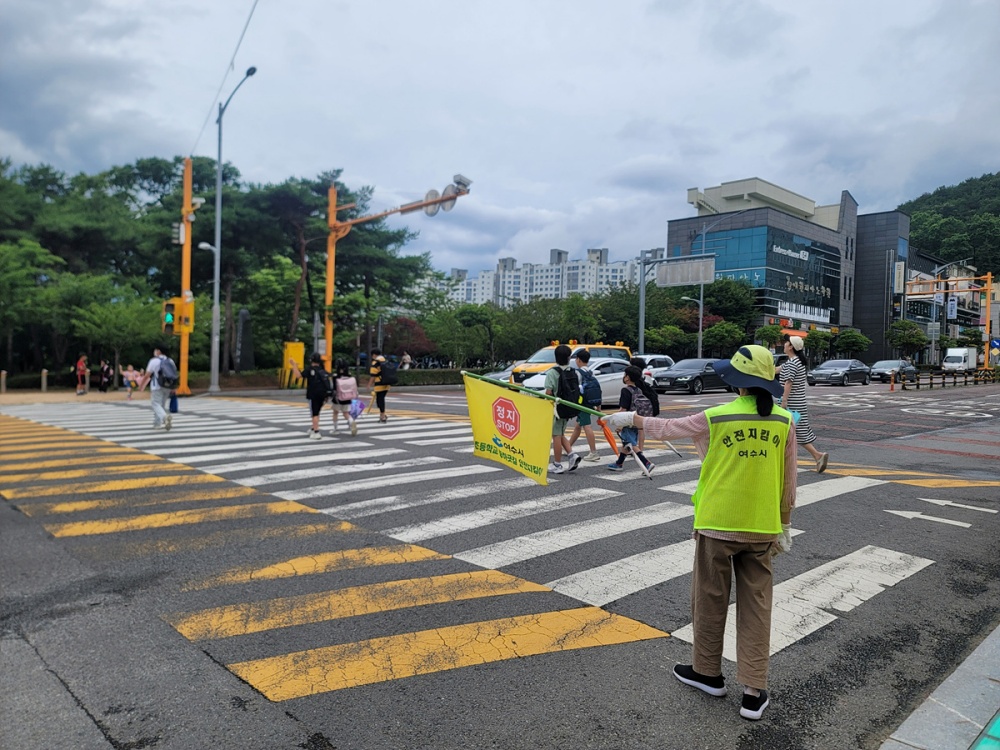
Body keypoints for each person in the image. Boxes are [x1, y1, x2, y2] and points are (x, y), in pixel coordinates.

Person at [603, 344, 797, 721]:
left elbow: (666, 428)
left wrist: (627, 418)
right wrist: (785, 524)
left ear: (737, 382)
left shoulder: (717, 416)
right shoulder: (784, 421)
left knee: (709, 598)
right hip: (762, 527)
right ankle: (754, 691)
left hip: (716, 523)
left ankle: (707, 673)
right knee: (757, 607)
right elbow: (789, 483)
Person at [778, 334, 828, 473]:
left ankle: (817, 455)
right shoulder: (794, 361)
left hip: (792, 403)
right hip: (798, 402)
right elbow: (777, 370)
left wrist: (784, 401)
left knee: (793, 431)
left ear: (791, 347)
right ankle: (816, 456)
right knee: (793, 431)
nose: (784, 345)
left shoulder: (793, 363)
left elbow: (788, 382)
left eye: (786, 343)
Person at [607, 366, 656, 474]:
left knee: (630, 444)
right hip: (636, 421)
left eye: (624, 375)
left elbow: (623, 409)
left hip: (627, 422)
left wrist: (619, 424)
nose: (623, 377)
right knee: (627, 443)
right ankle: (619, 463)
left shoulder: (625, 390)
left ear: (627, 378)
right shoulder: (638, 389)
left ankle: (646, 463)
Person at [543, 344, 581, 475]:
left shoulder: (553, 373)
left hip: (556, 409)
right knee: (560, 433)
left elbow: (548, 392)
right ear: (569, 357)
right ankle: (572, 455)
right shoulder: (573, 372)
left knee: (556, 436)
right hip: (568, 407)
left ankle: (557, 464)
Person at [566, 350, 601, 462]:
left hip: (582, 403)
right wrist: (599, 407)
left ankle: (593, 452)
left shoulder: (578, 373)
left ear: (578, 360)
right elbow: (597, 389)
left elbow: (575, 389)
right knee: (578, 426)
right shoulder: (591, 372)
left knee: (587, 426)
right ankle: (568, 448)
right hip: (590, 401)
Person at [289, 353, 329, 439]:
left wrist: (294, 365)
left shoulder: (309, 369)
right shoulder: (322, 369)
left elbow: (298, 376)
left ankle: (316, 432)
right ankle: (313, 428)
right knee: (317, 412)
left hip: (313, 394)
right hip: (323, 394)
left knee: (314, 413)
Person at [137, 345, 172, 431]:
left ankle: (165, 417)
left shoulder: (154, 361)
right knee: (161, 405)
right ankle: (157, 424)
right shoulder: (170, 360)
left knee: (155, 404)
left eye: (155, 350)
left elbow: (147, 375)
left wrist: (141, 385)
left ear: (159, 351)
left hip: (157, 386)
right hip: (168, 386)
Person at [331, 359, 359, 436]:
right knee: (346, 413)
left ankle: (335, 429)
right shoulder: (350, 375)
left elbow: (334, 388)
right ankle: (351, 422)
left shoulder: (335, 376)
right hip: (348, 397)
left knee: (335, 412)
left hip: (338, 398)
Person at [366, 348, 391, 423]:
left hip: (379, 383)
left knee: (380, 400)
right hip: (387, 383)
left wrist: (369, 384)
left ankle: (383, 416)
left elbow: (373, 375)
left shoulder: (375, 362)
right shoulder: (385, 360)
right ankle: (382, 415)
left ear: (374, 355)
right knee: (381, 399)